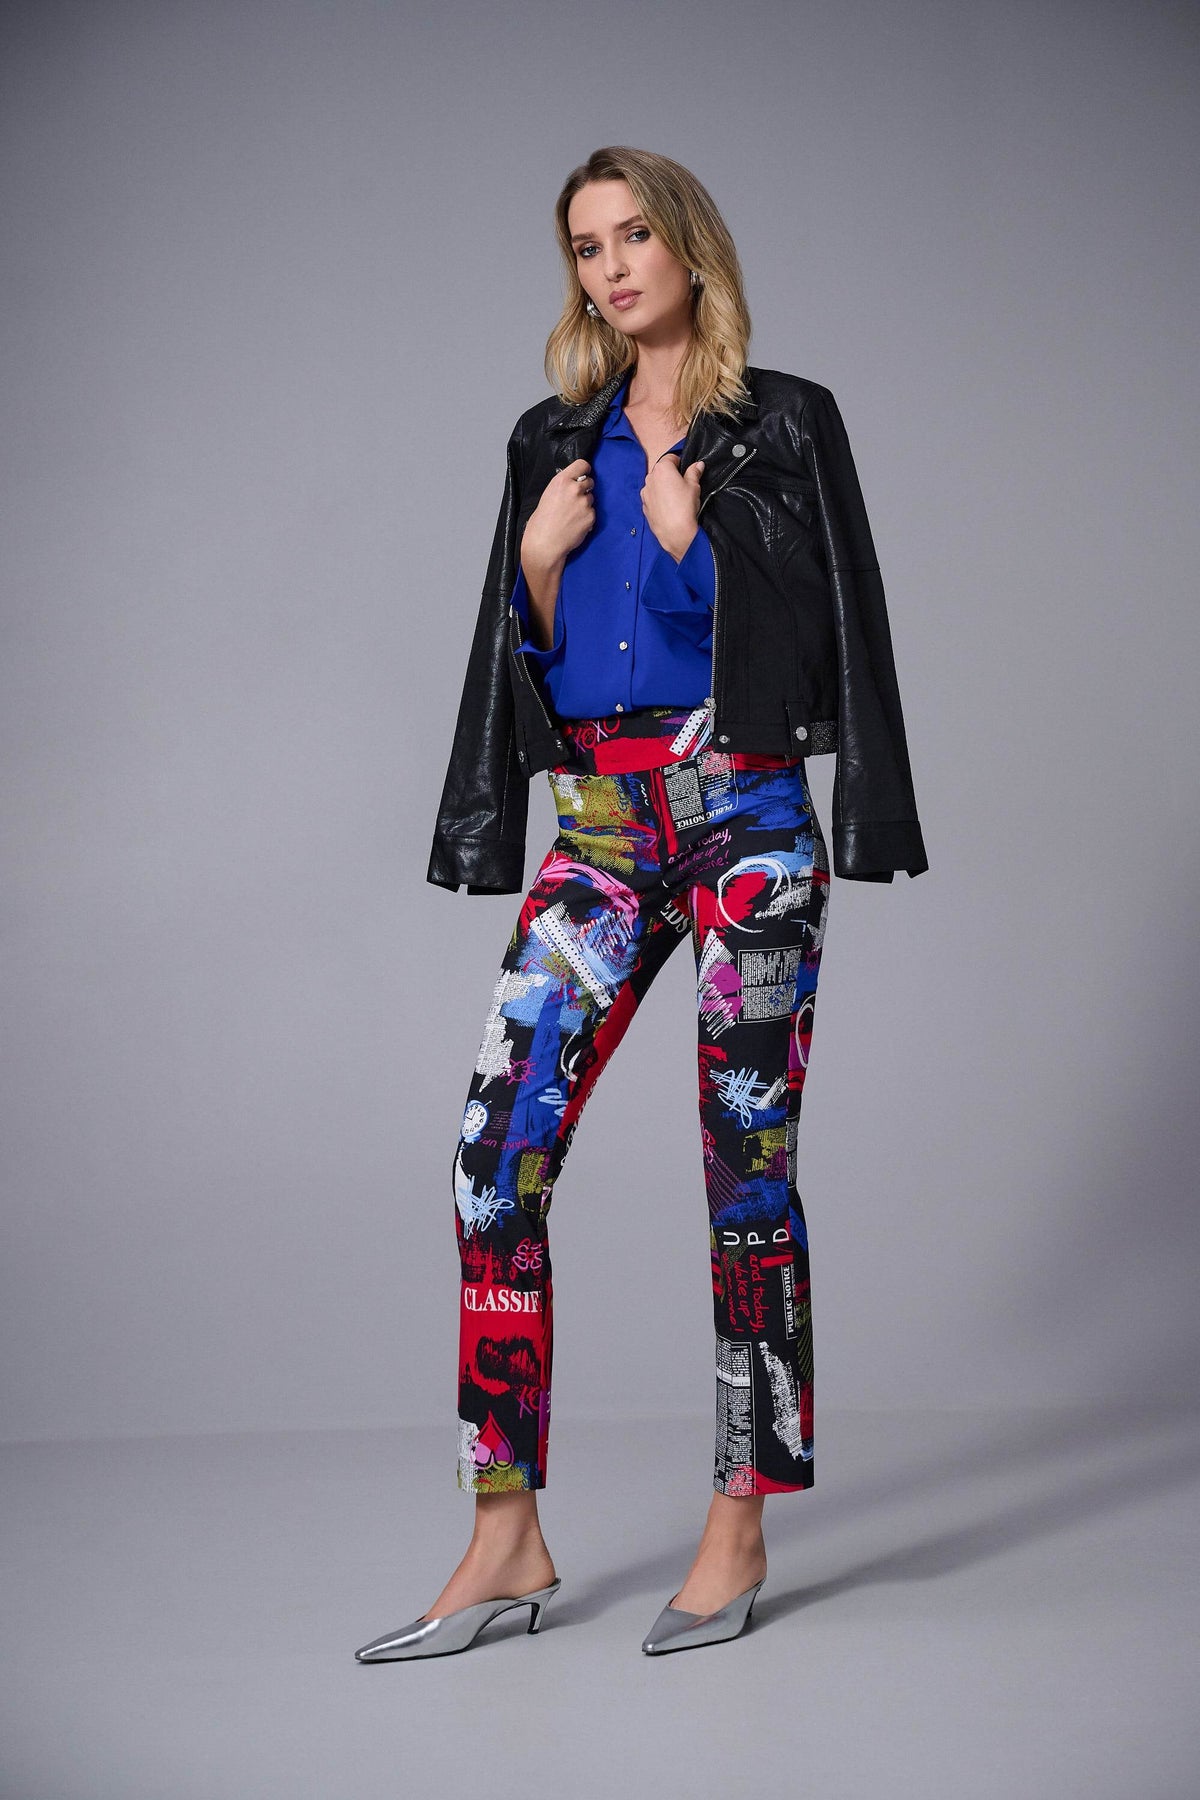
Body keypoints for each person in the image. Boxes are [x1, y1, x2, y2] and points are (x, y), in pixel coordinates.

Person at [355, 145, 928, 1663]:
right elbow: (535, 664)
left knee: (747, 1171)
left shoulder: (782, 422)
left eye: (632, 237)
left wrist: (695, 540)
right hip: (600, 828)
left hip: (744, 817)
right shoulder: (552, 439)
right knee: (493, 1159)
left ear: (687, 246)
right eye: (585, 247)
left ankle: (740, 1518)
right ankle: (506, 1532)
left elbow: (833, 630)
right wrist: (538, 567)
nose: (611, 268)